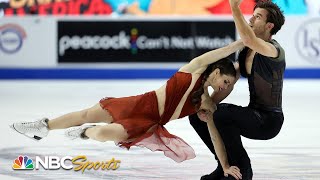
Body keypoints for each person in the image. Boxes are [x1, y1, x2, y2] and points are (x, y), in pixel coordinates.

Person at [10, 40, 244, 179]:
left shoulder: (205, 104)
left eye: (230, 86)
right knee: (86, 114)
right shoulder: (195, 67)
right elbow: (231, 47)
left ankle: (85, 132)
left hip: (148, 122)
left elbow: (215, 136)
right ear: (216, 72)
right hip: (139, 103)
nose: (225, 87)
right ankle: (44, 126)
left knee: (101, 133)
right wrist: (250, 38)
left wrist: (224, 166)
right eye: (226, 82)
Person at [189, 0, 285, 179]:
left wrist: (234, 7)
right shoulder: (246, 52)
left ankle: (243, 170)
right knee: (199, 115)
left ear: (269, 26)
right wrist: (208, 104)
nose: (251, 19)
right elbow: (229, 82)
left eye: (257, 17)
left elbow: (248, 38)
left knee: (222, 115)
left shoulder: (274, 50)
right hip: (253, 113)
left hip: (269, 121)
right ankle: (223, 165)